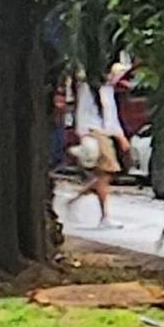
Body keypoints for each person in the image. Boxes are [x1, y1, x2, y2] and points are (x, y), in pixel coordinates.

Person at [68, 63, 129, 229]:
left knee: (104, 175)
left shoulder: (108, 90)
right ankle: (104, 215)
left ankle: (77, 198)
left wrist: (120, 135)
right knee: (105, 173)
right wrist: (83, 133)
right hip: (96, 131)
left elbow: (111, 116)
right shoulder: (90, 88)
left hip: (104, 133)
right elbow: (83, 110)